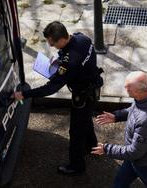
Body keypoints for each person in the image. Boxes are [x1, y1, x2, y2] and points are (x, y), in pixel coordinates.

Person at [14, 21, 103, 175]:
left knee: (76, 132)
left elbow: (51, 88)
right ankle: (90, 146)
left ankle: (77, 166)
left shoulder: (70, 63)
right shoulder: (82, 38)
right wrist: (60, 57)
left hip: (83, 95)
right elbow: (72, 53)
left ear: (61, 39)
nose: (53, 47)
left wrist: (25, 94)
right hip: (93, 87)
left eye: (53, 44)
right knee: (85, 119)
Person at [92, 71, 147, 188]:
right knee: (119, 183)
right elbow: (135, 109)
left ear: (138, 92)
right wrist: (117, 116)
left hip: (146, 163)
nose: (125, 89)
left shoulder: (146, 121)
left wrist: (107, 149)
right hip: (133, 159)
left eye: (128, 88)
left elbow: (134, 152)